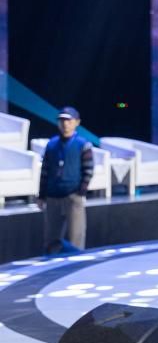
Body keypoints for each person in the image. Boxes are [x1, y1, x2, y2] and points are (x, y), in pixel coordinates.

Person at [38, 107, 94, 253]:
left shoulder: (83, 144)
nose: (65, 124)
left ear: (77, 122)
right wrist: (42, 195)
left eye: (69, 120)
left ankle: (77, 265)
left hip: (73, 196)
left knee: (76, 238)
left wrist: (81, 192)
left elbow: (88, 170)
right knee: (51, 239)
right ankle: (50, 264)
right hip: (53, 197)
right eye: (62, 120)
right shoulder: (52, 145)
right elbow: (45, 171)